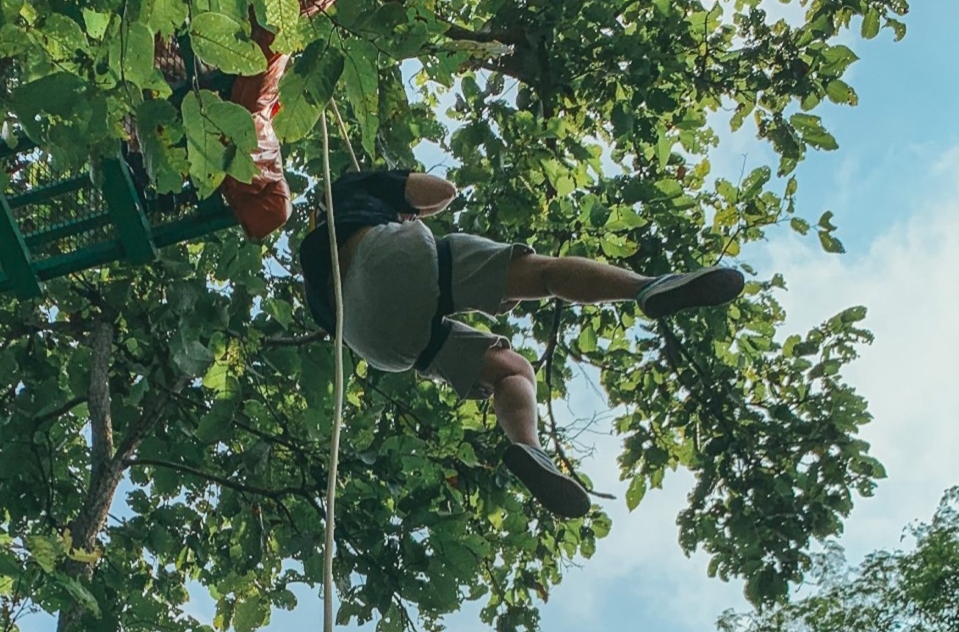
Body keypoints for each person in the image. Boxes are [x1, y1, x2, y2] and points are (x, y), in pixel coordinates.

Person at [298, 168, 745, 518]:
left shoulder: (309, 267)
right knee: (543, 274)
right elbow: (440, 190)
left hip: (377, 342)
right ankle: (644, 286)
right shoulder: (350, 186)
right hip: (391, 262)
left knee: (510, 369)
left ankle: (530, 448)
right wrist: (403, 193)